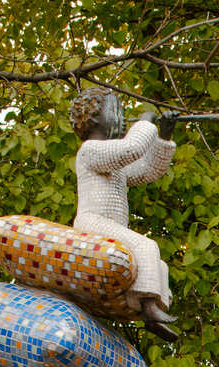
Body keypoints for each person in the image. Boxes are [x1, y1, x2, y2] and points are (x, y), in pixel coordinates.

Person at [69, 87, 180, 340]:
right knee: (146, 246)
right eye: (117, 110)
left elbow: (148, 169)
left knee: (157, 265)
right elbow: (132, 148)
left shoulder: (113, 164)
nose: (122, 117)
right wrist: (145, 124)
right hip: (93, 223)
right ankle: (150, 309)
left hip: (109, 226)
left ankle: (147, 308)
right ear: (95, 117)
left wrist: (164, 135)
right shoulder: (90, 151)